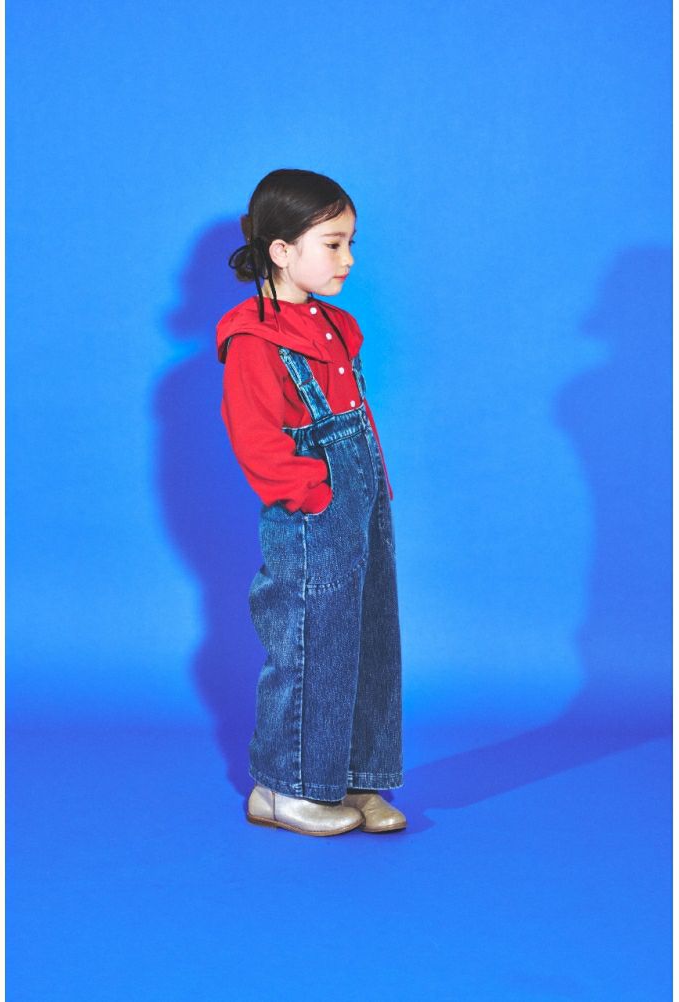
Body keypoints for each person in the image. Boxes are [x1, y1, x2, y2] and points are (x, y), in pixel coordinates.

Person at [216, 168, 406, 836]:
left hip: (363, 505)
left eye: (350, 243)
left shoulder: (337, 326)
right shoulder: (253, 338)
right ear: (281, 250)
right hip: (312, 515)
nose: (347, 258)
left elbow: (357, 417)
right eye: (332, 244)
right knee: (309, 645)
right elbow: (256, 439)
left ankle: (356, 777)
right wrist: (313, 495)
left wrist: (371, 490)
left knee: (370, 641)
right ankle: (286, 787)